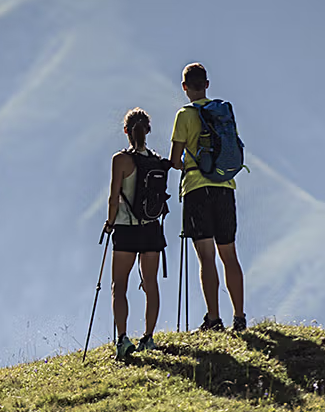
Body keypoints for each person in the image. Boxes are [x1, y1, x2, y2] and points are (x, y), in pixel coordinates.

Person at [170, 62, 246, 334]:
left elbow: (174, 160)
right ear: (207, 84)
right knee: (230, 254)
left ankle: (214, 319)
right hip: (225, 186)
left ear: (185, 87)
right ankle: (239, 318)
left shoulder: (185, 115)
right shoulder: (223, 112)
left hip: (196, 189)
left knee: (206, 257)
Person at [103, 107, 165, 361]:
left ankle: (122, 340)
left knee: (120, 286)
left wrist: (109, 223)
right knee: (150, 283)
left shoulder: (120, 160)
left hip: (126, 230)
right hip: (151, 228)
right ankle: (148, 338)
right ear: (148, 130)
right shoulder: (157, 161)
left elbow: (114, 198)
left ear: (126, 131)